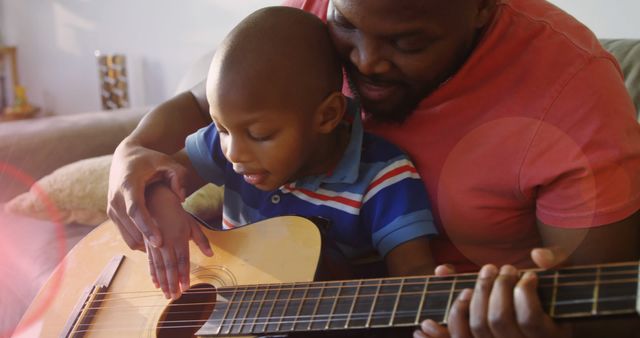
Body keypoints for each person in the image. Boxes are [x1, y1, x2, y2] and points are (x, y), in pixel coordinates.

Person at [107, 0, 640, 337]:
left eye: (407, 42)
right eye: (346, 25)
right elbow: (209, 108)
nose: (364, 62)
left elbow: (613, 315)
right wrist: (130, 157)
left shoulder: (575, 90)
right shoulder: (307, 23)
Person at [140, 6, 437, 301]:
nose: (233, 153)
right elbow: (162, 179)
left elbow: (414, 275)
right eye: (221, 129)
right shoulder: (232, 144)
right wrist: (162, 205)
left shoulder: (384, 177)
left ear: (327, 115)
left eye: (260, 135)